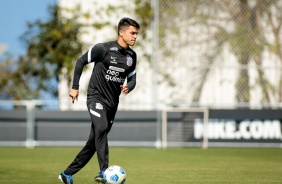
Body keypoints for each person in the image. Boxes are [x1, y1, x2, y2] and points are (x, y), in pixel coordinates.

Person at [58, 17, 140, 184]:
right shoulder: (103, 49)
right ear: (121, 32)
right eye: (132, 33)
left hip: (112, 104)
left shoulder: (131, 56)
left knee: (94, 142)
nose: (135, 37)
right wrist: (75, 87)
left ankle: (67, 173)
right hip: (96, 97)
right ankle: (104, 171)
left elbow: (132, 79)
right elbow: (80, 61)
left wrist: (129, 87)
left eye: (136, 33)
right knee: (101, 128)